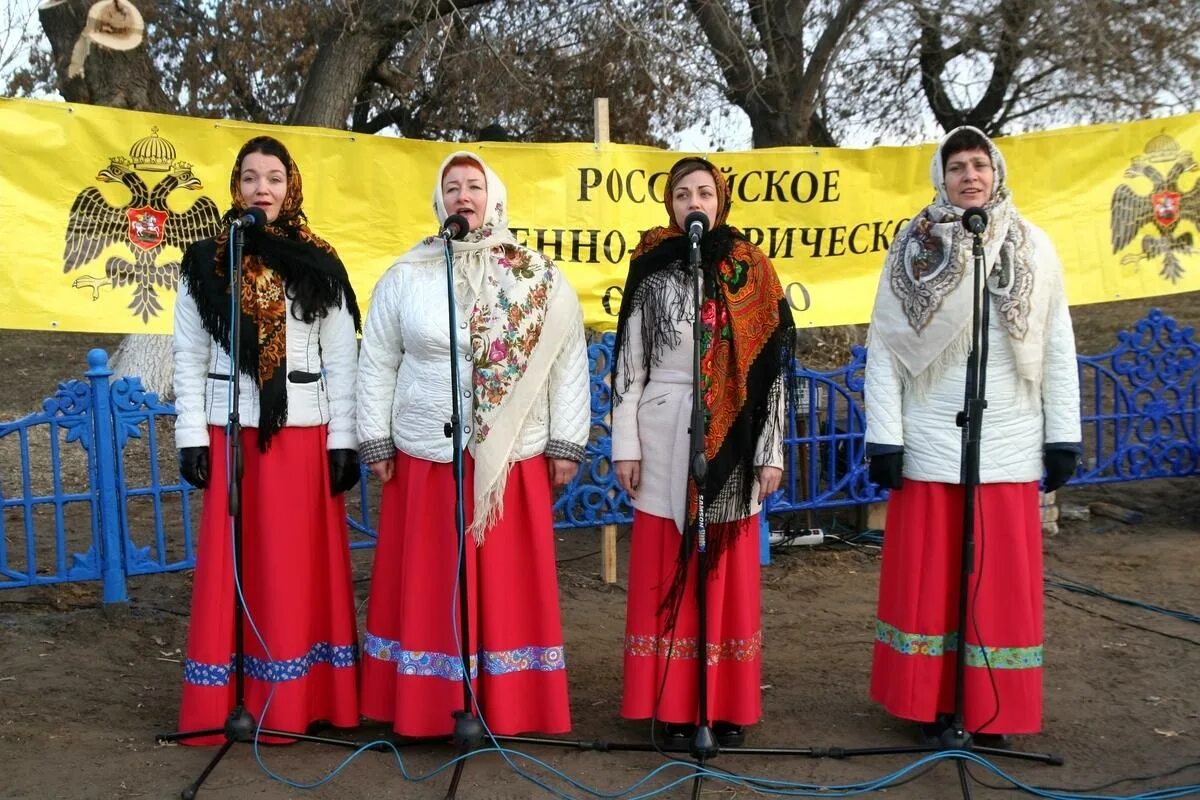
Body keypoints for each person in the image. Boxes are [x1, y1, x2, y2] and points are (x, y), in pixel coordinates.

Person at [356, 151, 589, 737]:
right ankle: (431, 708)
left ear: (494, 197)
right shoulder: (407, 275)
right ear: (439, 200)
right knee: (432, 583)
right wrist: (375, 437)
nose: (464, 196)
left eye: (474, 187)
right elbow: (378, 359)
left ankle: (510, 706)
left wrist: (567, 440)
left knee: (507, 586)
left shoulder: (536, 276)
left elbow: (567, 363)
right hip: (426, 457)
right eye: (453, 187)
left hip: (509, 457)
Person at [864, 126, 1081, 745]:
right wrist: (886, 437)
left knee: (998, 584)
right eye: (957, 165)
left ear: (996, 172)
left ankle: (990, 710)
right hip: (930, 436)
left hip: (1008, 438)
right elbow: (884, 348)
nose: (969, 175)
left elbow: (1057, 345)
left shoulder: (1034, 247)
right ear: (942, 176)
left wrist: (1062, 435)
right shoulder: (911, 247)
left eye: (979, 164)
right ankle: (931, 704)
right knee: (931, 580)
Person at [172, 136, 363, 744]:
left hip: (303, 434)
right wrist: (189, 433)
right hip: (230, 430)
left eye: (274, 178)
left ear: (292, 186)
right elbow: (188, 355)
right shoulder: (206, 259)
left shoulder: (319, 260)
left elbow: (343, 356)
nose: (263, 189)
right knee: (237, 565)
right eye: (251, 178)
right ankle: (229, 701)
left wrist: (345, 440)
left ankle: (300, 702)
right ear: (235, 187)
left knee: (293, 568)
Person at [611, 157, 795, 747]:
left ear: (722, 201)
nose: (695, 201)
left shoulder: (751, 270)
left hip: (735, 438)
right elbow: (629, 366)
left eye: (705, 192)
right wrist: (625, 445)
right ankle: (670, 702)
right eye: (683, 192)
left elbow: (773, 375)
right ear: (670, 204)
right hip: (663, 429)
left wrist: (770, 453)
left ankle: (725, 703)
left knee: (724, 573)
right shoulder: (651, 268)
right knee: (668, 564)